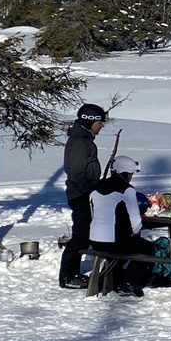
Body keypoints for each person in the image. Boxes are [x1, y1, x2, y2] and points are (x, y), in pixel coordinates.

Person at [88, 156, 156, 297]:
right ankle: (130, 282)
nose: (131, 178)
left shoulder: (96, 188)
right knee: (147, 248)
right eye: (130, 174)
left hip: (94, 240)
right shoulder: (127, 190)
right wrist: (134, 235)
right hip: (114, 242)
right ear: (124, 174)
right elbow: (136, 222)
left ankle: (115, 280)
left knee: (123, 247)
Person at [58, 103, 106, 289]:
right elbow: (78, 173)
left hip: (85, 193)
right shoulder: (79, 142)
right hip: (80, 194)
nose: (101, 126)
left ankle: (72, 274)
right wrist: (92, 189)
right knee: (80, 235)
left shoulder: (85, 140)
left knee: (84, 234)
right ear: (90, 120)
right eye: (100, 122)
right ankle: (68, 277)